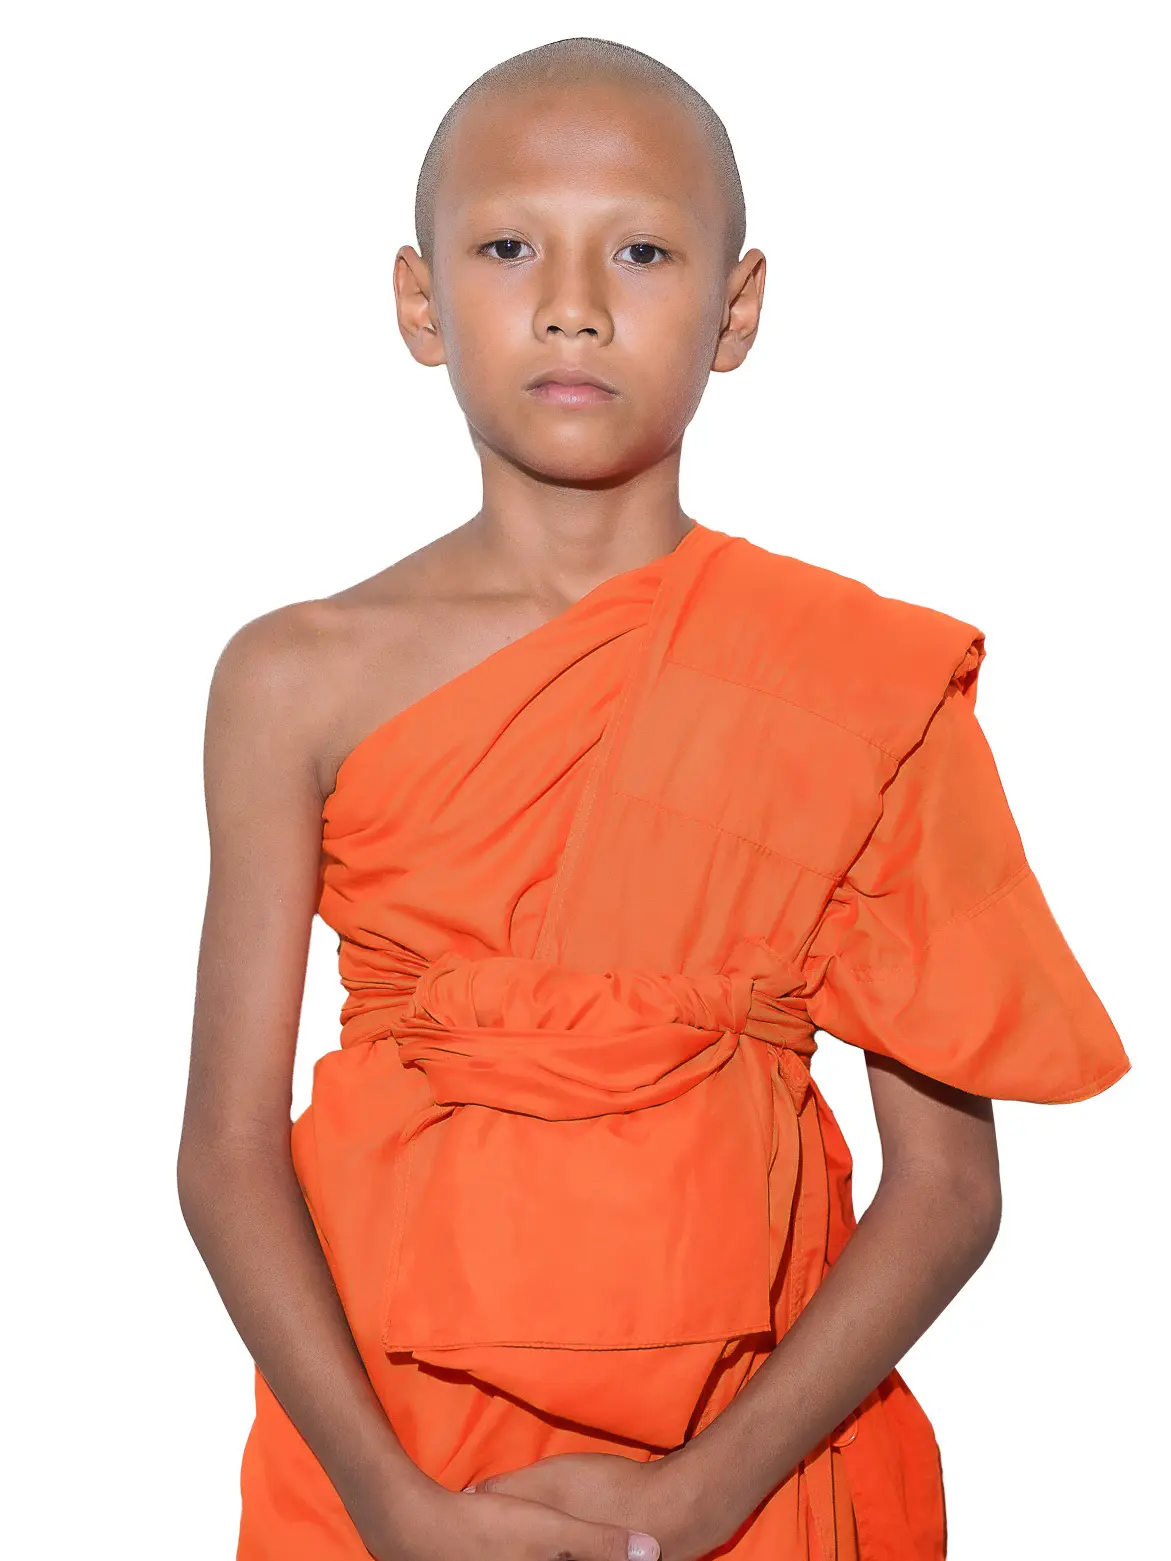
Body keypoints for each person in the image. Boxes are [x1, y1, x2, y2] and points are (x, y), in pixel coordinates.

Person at [178, 36, 1130, 1561]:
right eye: (507, 248)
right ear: (418, 303)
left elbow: (949, 1187)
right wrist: (388, 1506)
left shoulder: (854, 680)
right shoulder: (296, 677)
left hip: (752, 1453)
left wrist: (705, 1494)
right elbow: (225, 1154)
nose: (572, 303)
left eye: (639, 251)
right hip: (385, 1449)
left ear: (735, 311)